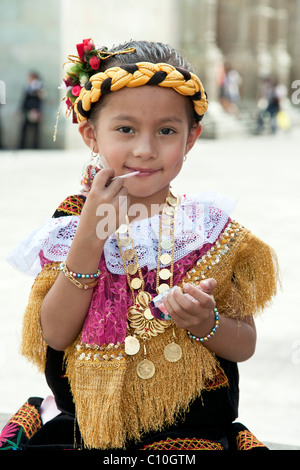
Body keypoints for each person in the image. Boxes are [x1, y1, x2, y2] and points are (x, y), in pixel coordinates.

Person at [1, 39, 279, 451]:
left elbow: (245, 343)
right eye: (125, 129)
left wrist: (206, 323)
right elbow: (56, 335)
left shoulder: (206, 229)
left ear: (191, 138)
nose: (145, 150)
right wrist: (91, 237)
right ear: (91, 134)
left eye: (167, 131)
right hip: (89, 435)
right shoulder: (72, 221)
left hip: (192, 437)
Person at [18, 72, 44, 149]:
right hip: (27, 110)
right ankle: (22, 146)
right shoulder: (27, 87)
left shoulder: (39, 87)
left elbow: (40, 99)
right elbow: (24, 100)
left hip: (35, 111)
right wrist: (21, 110)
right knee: (24, 129)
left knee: (35, 130)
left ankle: (35, 146)